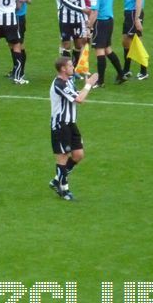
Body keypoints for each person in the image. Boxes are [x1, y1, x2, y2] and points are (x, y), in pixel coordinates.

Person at [48, 56, 99, 201]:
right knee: (63, 157)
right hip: (60, 125)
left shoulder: (68, 80)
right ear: (63, 69)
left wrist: (85, 79)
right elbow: (79, 99)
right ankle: (64, 190)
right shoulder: (59, 84)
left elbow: (76, 85)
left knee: (78, 155)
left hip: (71, 124)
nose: (73, 68)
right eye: (70, 66)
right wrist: (88, 84)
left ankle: (58, 179)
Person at [87, 0, 126, 87]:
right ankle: (121, 74)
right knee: (108, 49)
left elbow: (94, 12)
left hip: (101, 23)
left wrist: (89, 25)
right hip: (110, 21)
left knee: (99, 50)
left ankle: (101, 81)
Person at [117, 0, 148, 80]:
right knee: (126, 41)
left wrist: (137, 19)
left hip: (133, 13)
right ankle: (127, 69)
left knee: (135, 41)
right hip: (130, 13)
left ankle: (143, 71)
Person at [55, 0, 89, 69]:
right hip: (65, 19)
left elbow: (81, 0)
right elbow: (65, 3)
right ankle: (65, 69)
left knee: (78, 44)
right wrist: (82, 10)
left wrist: (85, 18)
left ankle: (73, 69)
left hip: (77, 19)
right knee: (66, 45)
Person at [8, 0, 31, 80]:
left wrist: (22, 0)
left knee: (19, 44)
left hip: (18, 17)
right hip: (9, 18)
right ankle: (15, 69)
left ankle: (21, 71)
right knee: (11, 44)